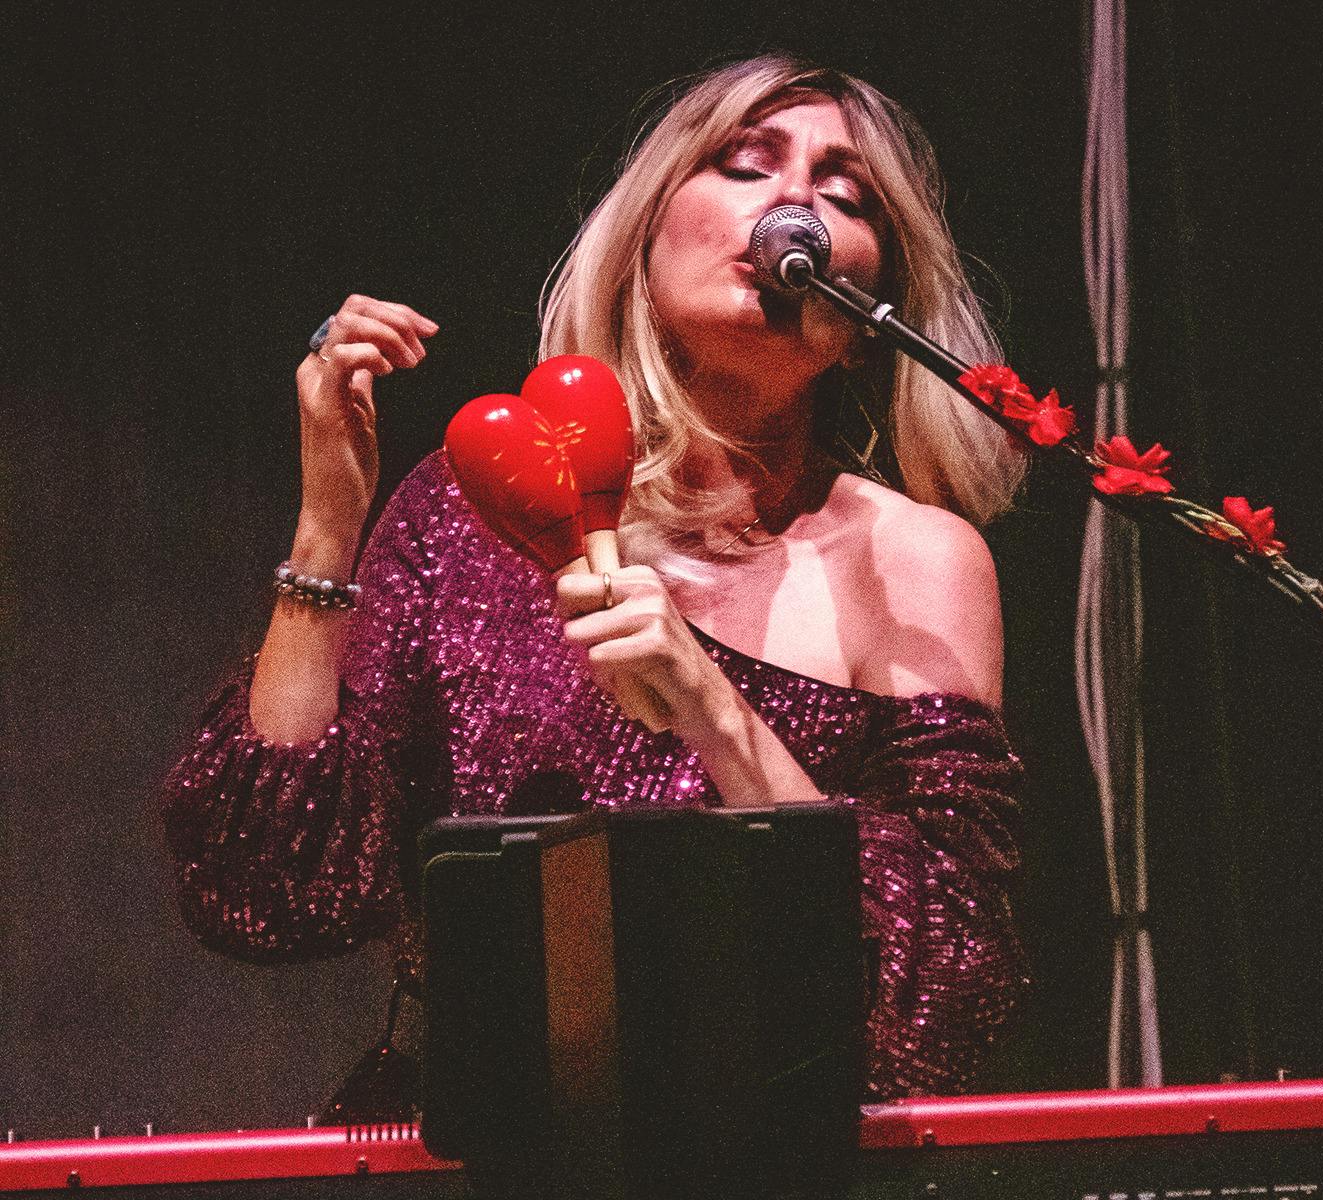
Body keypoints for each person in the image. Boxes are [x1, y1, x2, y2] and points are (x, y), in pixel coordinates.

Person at [162, 53, 1031, 1102]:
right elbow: (273, 889)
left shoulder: (913, 562)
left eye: (845, 196)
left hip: (763, 1146)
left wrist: (713, 713)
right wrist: (327, 525)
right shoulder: (472, 506)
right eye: (746, 166)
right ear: (647, 236)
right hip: (468, 1147)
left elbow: (941, 993)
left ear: (861, 323)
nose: (796, 200)